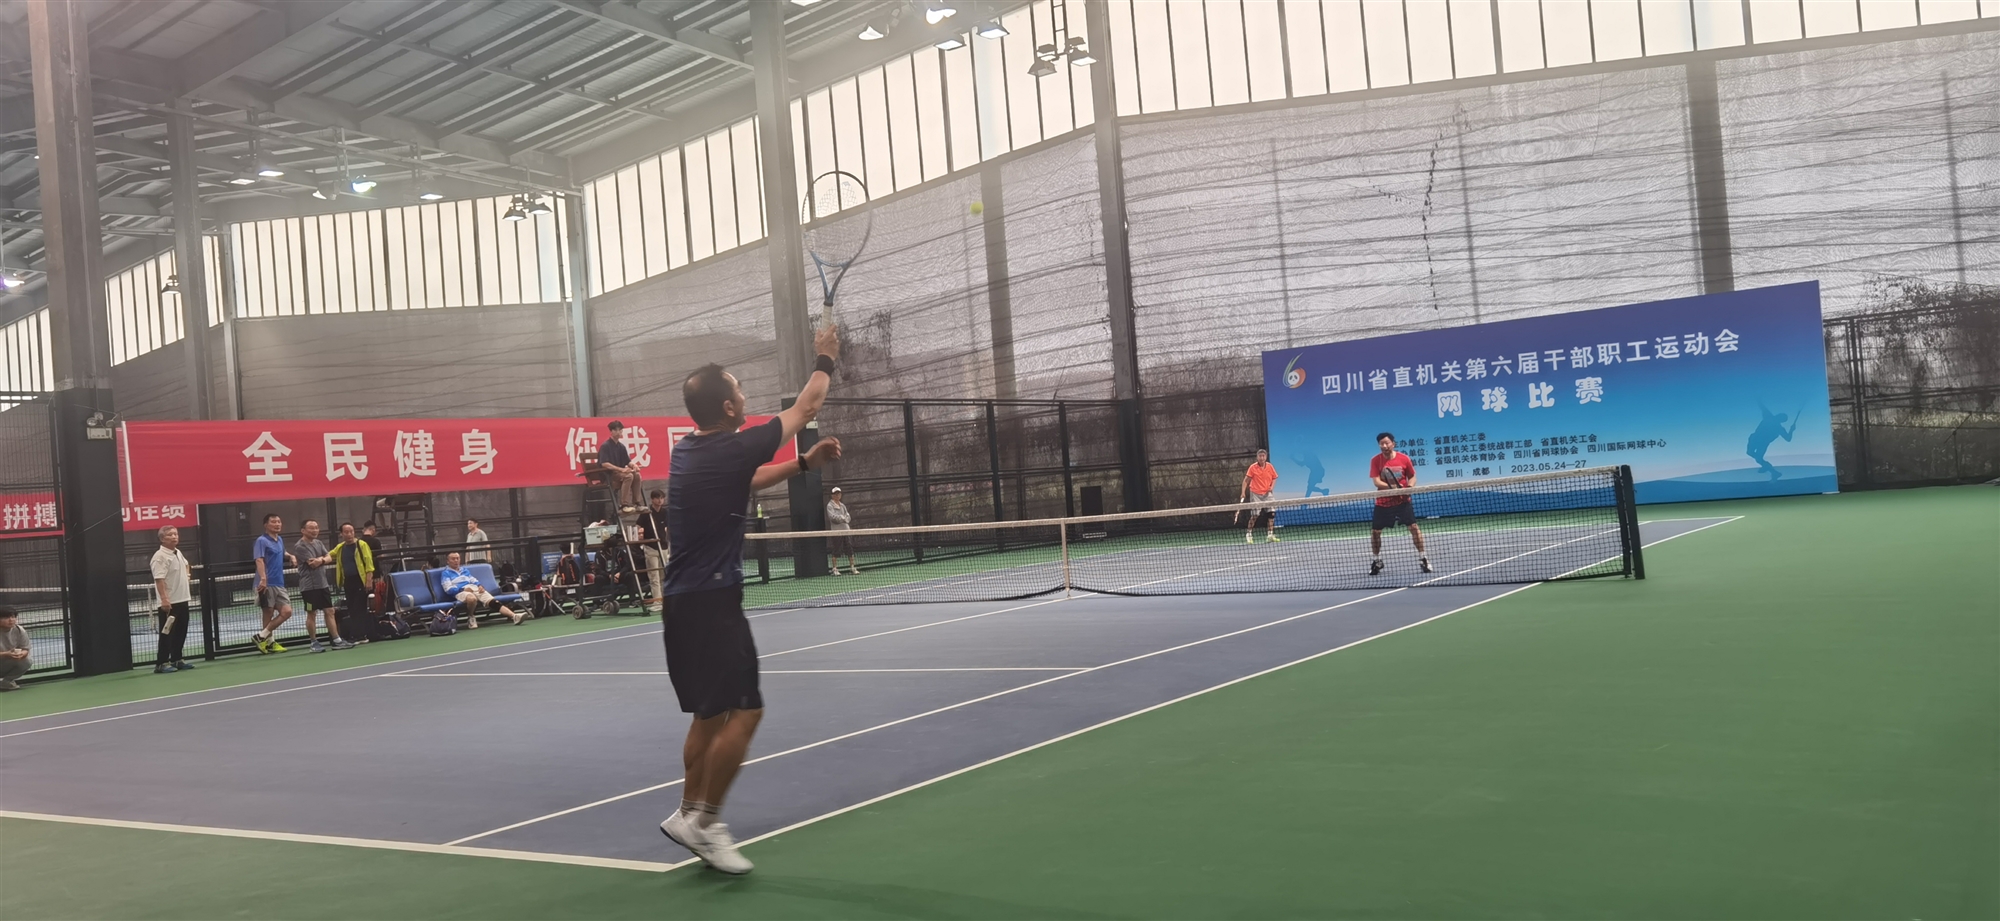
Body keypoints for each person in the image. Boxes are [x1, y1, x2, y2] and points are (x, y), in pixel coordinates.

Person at [657, 322, 846, 875]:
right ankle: (707, 823)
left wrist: (805, 464)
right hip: (713, 603)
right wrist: (825, 357)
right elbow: (808, 406)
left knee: (709, 714)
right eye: (739, 390)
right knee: (747, 710)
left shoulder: (689, 453)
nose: (744, 396)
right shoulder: (734, 445)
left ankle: (687, 812)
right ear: (728, 407)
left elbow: (747, 480)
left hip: (681, 603)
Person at [1369, 432, 1432, 575]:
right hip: (1383, 501)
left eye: (1387, 443)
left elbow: (1412, 476)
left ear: (1393, 443)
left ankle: (1423, 558)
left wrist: (1409, 487)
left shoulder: (1404, 458)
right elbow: (1376, 481)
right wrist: (1393, 488)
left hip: (1402, 501)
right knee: (1375, 532)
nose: (1384, 446)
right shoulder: (1375, 460)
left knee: (1414, 528)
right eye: (1381, 444)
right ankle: (1376, 560)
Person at [293, 519, 351, 652]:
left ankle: (336, 640)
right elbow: (312, 564)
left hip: (323, 585)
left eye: (316, 528)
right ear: (303, 530)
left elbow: (329, 557)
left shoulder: (318, 543)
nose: (315, 530)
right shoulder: (300, 546)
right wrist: (323, 559)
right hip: (308, 588)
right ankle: (314, 643)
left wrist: (322, 559)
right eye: (311, 528)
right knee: (311, 613)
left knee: (330, 611)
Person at [150, 525, 197, 673]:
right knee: (167, 633)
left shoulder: (177, 552)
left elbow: (187, 565)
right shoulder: (159, 557)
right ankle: (161, 663)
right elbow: (159, 579)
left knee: (181, 631)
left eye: (176, 534)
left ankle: (177, 659)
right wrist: (164, 599)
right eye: (170, 535)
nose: (174, 537)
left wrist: (187, 577)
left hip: (183, 599)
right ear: (162, 539)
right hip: (170, 603)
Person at [439, 551, 525, 627]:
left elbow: (473, 580)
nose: (456, 560)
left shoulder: (464, 570)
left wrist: (480, 586)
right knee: (472, 599)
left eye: (457, 558)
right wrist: (462, 590)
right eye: (453, 559)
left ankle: (514, 616)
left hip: (474, 588)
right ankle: (471, 616)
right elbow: (448, 589)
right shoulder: (446, 573)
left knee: (493, 602)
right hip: (460, 592)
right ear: (448, 561)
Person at [252, 513, 294, 653]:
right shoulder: (261, 541)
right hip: (266, 583)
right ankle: (269, 643)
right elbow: (259, 559)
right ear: (266, 525)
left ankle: (261, 636)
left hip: (279, 583)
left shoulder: (279, 539)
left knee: (287, 611)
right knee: (268, 612)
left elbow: (282, 552)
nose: (277, 524)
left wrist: (291, 556)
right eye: (274, 522)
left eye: (279, 521)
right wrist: (263, 579)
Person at [326, 523, 376, 643]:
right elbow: (329, 555)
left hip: (360, 581)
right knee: (352, 607)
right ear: (341, 534)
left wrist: (368, 580)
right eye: (346, 532)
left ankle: (360, 635)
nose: (349, 534)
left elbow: (369, 564)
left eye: (351, 531)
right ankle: (357, 634)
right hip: (348, 581)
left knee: (359, 607)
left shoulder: (362, 545)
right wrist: (319, 559)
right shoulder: (340, 547)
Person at [634, 490, 669, 615]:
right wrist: (639, 536)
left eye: (662, 498)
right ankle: (657, 602)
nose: (660, 500)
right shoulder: (646, 513)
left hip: (663, 547)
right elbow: (637, 526)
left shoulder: (665, 512)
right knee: (654, 577)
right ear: (652, 499)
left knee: (664, 576)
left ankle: (666, 601)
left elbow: (668, 527)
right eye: (657, 498)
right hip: (650, 547)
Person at [600, 420, 643, 515]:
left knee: (637, 475)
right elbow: (604, 463)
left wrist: (634, 465)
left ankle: (637, 503)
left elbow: (627, 461)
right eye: (615, 430)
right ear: (611, 431)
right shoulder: (605, 446)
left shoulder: (621, 446)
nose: (618, 432)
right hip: (609, 475)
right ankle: (624, 505)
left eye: (620, 430)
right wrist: (621, 469)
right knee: (629, 476)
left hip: (620, 474)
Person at [1747, 404, 1800, 480]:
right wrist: (1791, 430)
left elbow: (1788, 439)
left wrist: (1791, 430)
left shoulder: (1771, 419)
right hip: (1757, 440)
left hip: (1759, 441)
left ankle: (1769, 468)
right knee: (1753, 454)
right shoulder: (1778, 427)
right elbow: (1788, 438)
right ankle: (1768, 468)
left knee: (1754, 455)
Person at [1240, 448, 1280, 544]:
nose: (1262, 458)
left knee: (1272, 514)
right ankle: (1249, 534)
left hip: (1268, 494)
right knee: (1255, 515)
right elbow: (1246, 481)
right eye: (1260, 456)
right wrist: (1243, 492)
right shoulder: (1252, 467)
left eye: (1263, 456)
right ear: (1257, 457)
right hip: (1256, 494)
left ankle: (1270, 535)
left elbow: (1274, 478)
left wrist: (1271, 487)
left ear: (1266, 457)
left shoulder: (1270, 466)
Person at [825, 487, 859, 575]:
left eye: (839, 494)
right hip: (837, 532)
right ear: (832, 495)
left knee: (850, 549)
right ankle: (835, 569)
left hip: (846, 531)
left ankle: (852, 568)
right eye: (835, 494)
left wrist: (844, 518)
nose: (837, 495)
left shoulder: (843, 505)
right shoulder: (830, 506)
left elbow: (848, 516)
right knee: (836, 550)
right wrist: (842, 518)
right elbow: (833, 517)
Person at [0, 606, 28, 691]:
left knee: (27, 661)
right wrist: (6, 654)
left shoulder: (19, 630)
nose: (11, 620)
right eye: (6, 617)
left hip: (5, 664)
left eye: (13, 617)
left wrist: (22, 654)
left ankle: (6, 682)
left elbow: (25, 649)